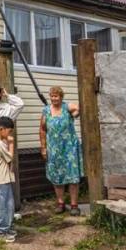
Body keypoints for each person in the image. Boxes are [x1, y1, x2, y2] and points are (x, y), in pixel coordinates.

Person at [39, 85, 83, 215]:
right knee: (56, 176)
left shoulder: (66, 107)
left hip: (69, 148)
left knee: (73, 177)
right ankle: (60, 203)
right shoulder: (46, 111)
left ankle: (74, 205)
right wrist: (43, 148)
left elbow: (79, 107)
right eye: (52, 96)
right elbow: (42, 130)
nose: (54, 98)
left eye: (56, 96)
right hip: (53, 149)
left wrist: (76, 113)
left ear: (61, 97)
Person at [0, 116, 16, 242]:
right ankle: (0, 232)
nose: (9, 134)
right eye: (9, 131)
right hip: (0, 180)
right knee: (2, 206)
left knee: (9, 205)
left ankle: (7, 228)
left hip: (4, 178)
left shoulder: (0, 142)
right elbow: (10, 157)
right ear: (1, 129)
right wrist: (11, 144)